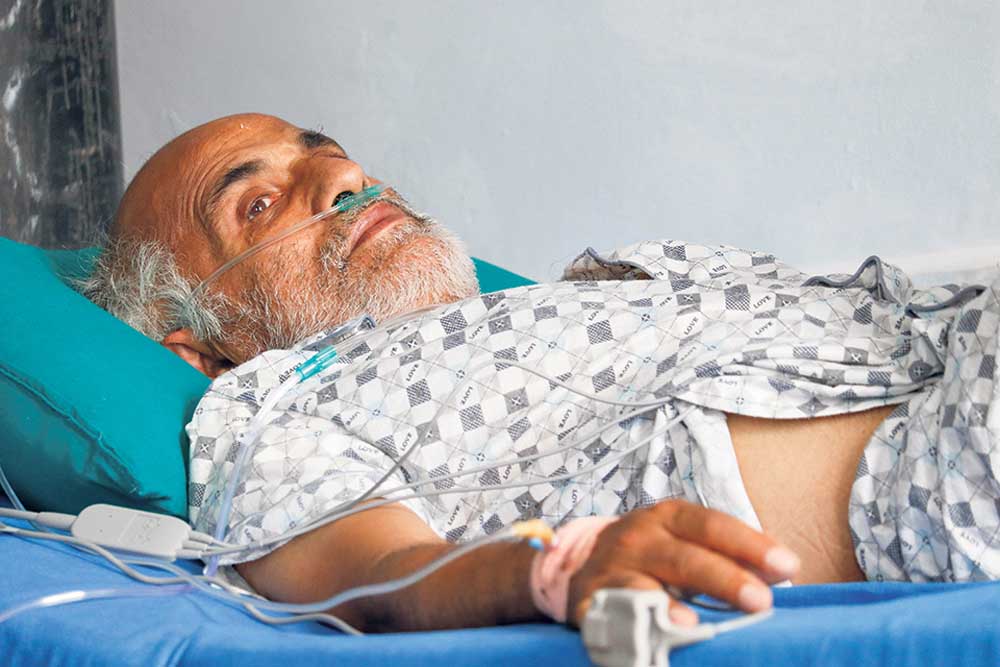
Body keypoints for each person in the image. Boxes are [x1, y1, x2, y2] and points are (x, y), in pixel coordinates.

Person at [80, 113, 997, 632]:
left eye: (325, 152)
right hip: (932, 477)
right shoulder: (271, 410)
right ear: (200, 345)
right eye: (259, 203)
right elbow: (381, 576)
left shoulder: (556, 298)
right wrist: (555, 570)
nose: (346, 175)